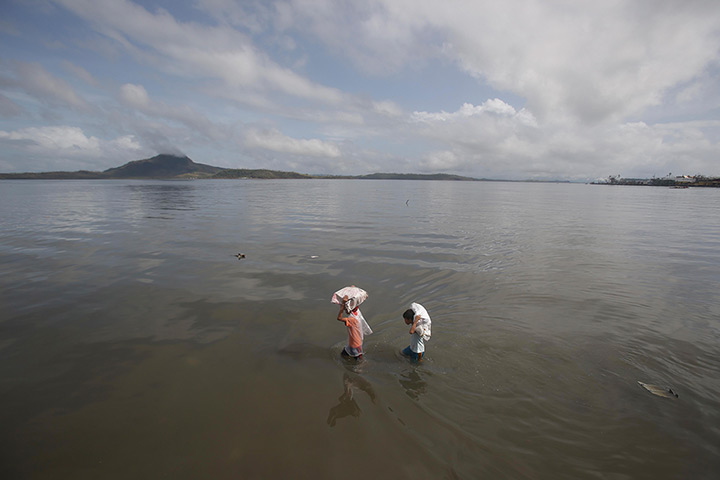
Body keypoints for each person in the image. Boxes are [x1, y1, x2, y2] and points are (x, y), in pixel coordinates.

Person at [337, 295, 365, 360]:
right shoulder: (357, 313)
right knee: (343, 355)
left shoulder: (351, 319)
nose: (345, 310)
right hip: (355, 342)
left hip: (354, 345)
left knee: (358, 362)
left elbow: (339, 318)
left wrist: (343, 304)